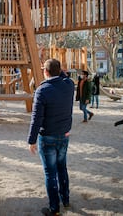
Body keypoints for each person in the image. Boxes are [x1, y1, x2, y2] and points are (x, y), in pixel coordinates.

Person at [27, 59, 74, 216]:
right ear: (59, 70)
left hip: (47, 137)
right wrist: (57, 70)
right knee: (62, 168)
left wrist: (31, 140)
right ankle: (65, 199)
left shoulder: (42, 90)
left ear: (45, 72)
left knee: (50, 173)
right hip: (64, 135)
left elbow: (36, 118)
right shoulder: (69, 85)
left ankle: (54, 208)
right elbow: (64, 75)